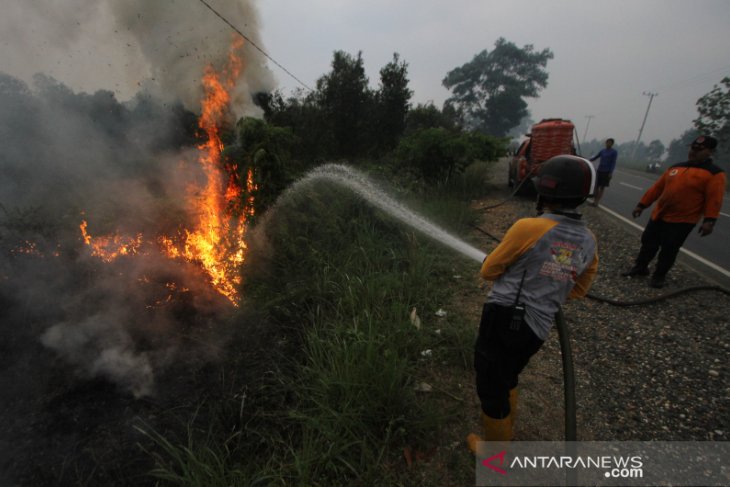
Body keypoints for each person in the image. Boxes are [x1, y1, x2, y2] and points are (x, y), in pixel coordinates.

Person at [467, 155, 599, 449]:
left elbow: (489, 270)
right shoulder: (589, 240)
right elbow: (578, 290)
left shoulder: (528, 227)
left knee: (491, 385)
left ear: (545, 192)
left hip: (504, 317)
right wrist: (549, 282)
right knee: (508, 375)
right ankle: (506, 432)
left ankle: (496, 459)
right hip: (537, 327)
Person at [622, 135, 726, 288]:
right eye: (693, 148)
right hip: (660, 214)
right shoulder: (676, 168)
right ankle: (640, 267)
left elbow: (714, 199)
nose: (694, 152)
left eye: (699, 150)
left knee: (669, 248)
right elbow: (657, 188)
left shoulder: (714, 174)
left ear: (710, 152)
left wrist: (709, 220)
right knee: (648, 242)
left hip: (682, 220)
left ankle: (659, 276)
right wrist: (642, 205)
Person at [588, 138, 618, 206]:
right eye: (607, 142)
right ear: (606, 143)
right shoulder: (602, 151)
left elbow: (613, 163)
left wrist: (611, 172)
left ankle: (596, 202)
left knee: (602, 187)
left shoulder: (614, 152)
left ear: (612, 144)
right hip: (600, 170)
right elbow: (595, 157)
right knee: (596, 186)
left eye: (610, 143)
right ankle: (594, 200)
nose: (608, 144)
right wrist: (588, 160)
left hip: (607, 172)